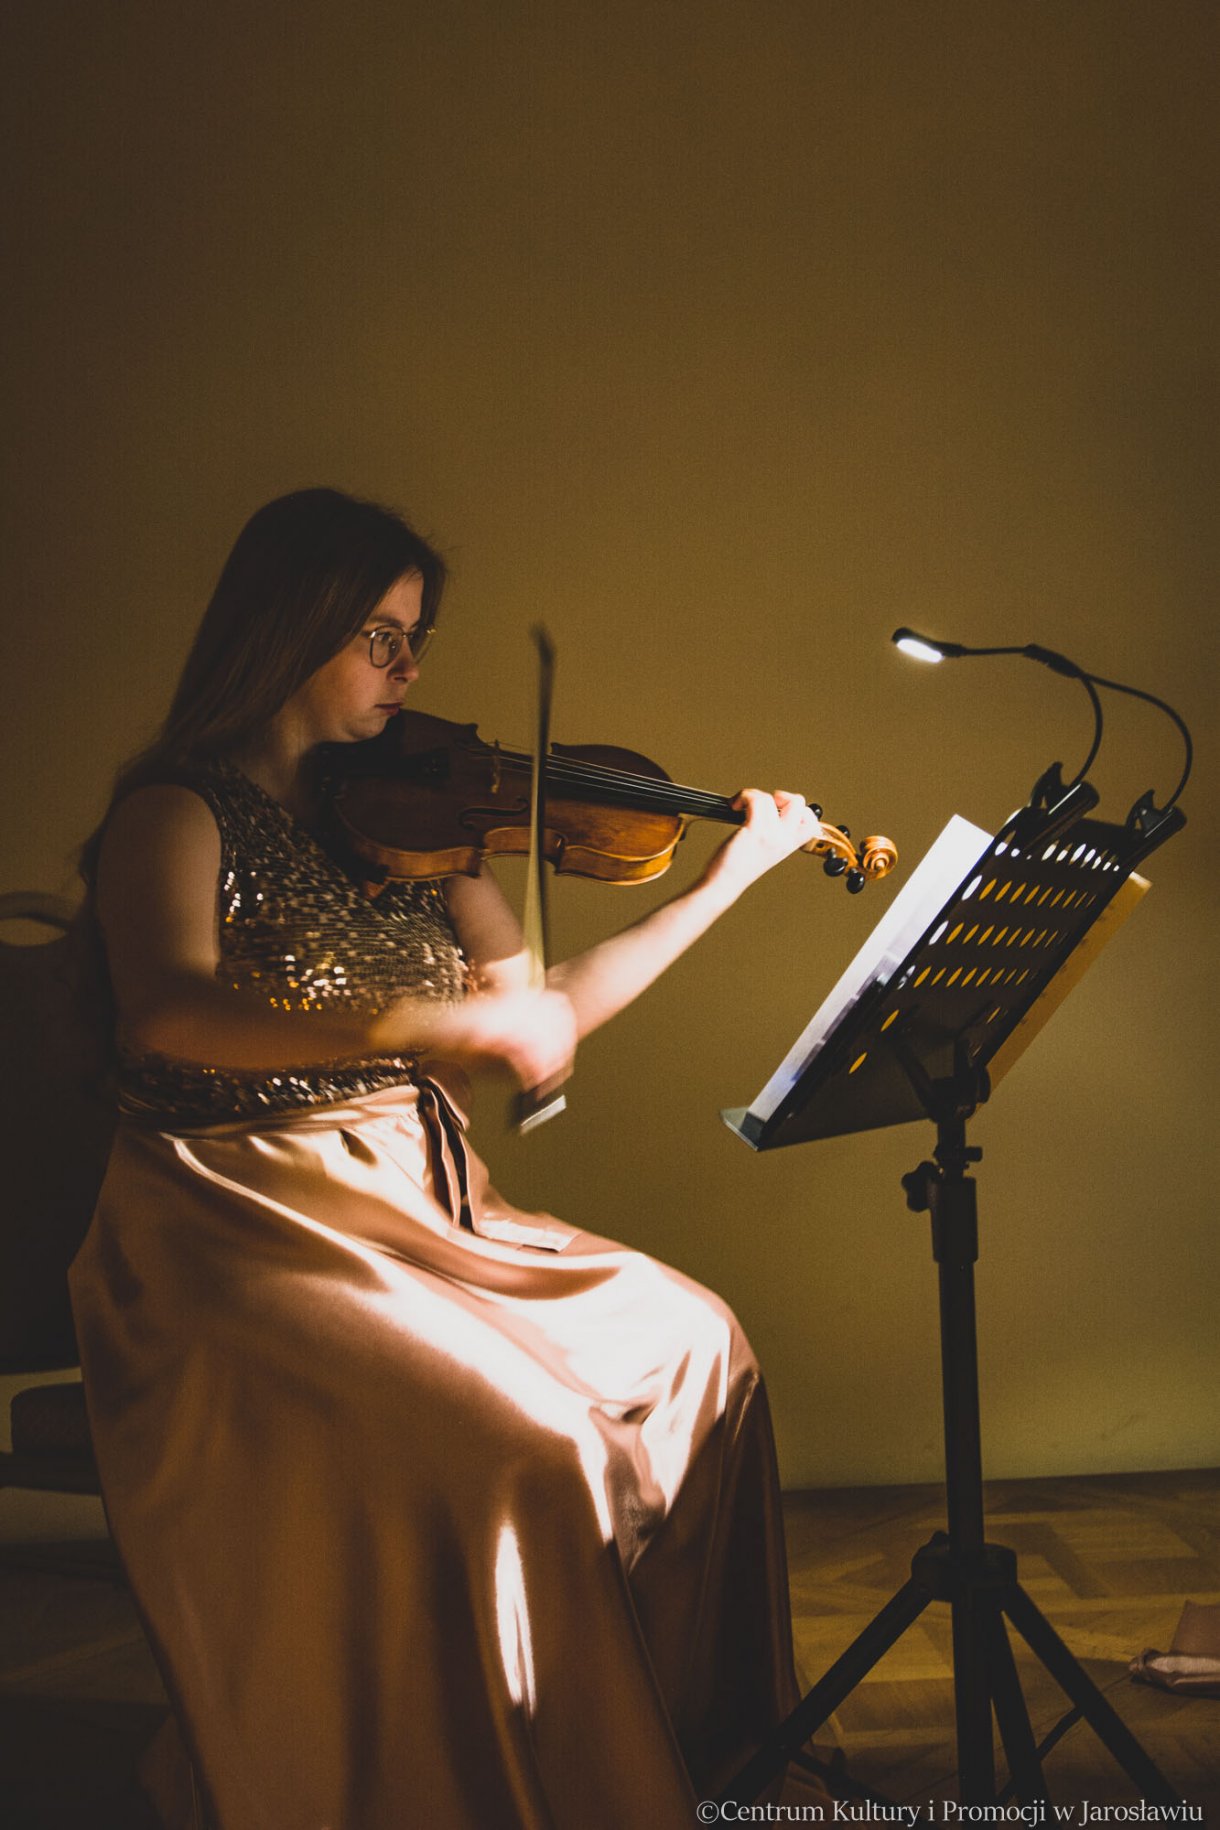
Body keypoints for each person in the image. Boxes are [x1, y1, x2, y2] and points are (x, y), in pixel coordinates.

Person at [69, 488, 826, 1829]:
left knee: (706, 1345)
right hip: (236, 1221)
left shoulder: (405, 825)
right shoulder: (174, 812)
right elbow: (169, 1007)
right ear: (288, 627)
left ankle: (687, 1767)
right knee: (528, 1444)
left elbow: (548, 1007)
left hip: (426, 1208)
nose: (409, 669)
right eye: (379, 635)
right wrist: (437, 1020)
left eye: (413, 636)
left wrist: (724, 883)